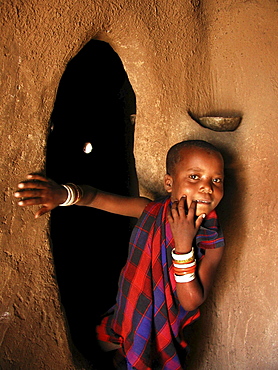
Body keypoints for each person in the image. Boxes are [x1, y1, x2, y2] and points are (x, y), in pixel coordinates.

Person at [14, 139, 225, 370]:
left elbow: (191, 300)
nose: (207, 187)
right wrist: (61, 194)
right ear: (169, 183)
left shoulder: (212, 242)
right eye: (194, 177)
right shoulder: (150, 212)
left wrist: (184, 246)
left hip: (159, 334)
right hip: (126, 313)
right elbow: (95, 197)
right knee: (104, 349)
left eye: (216, 180)